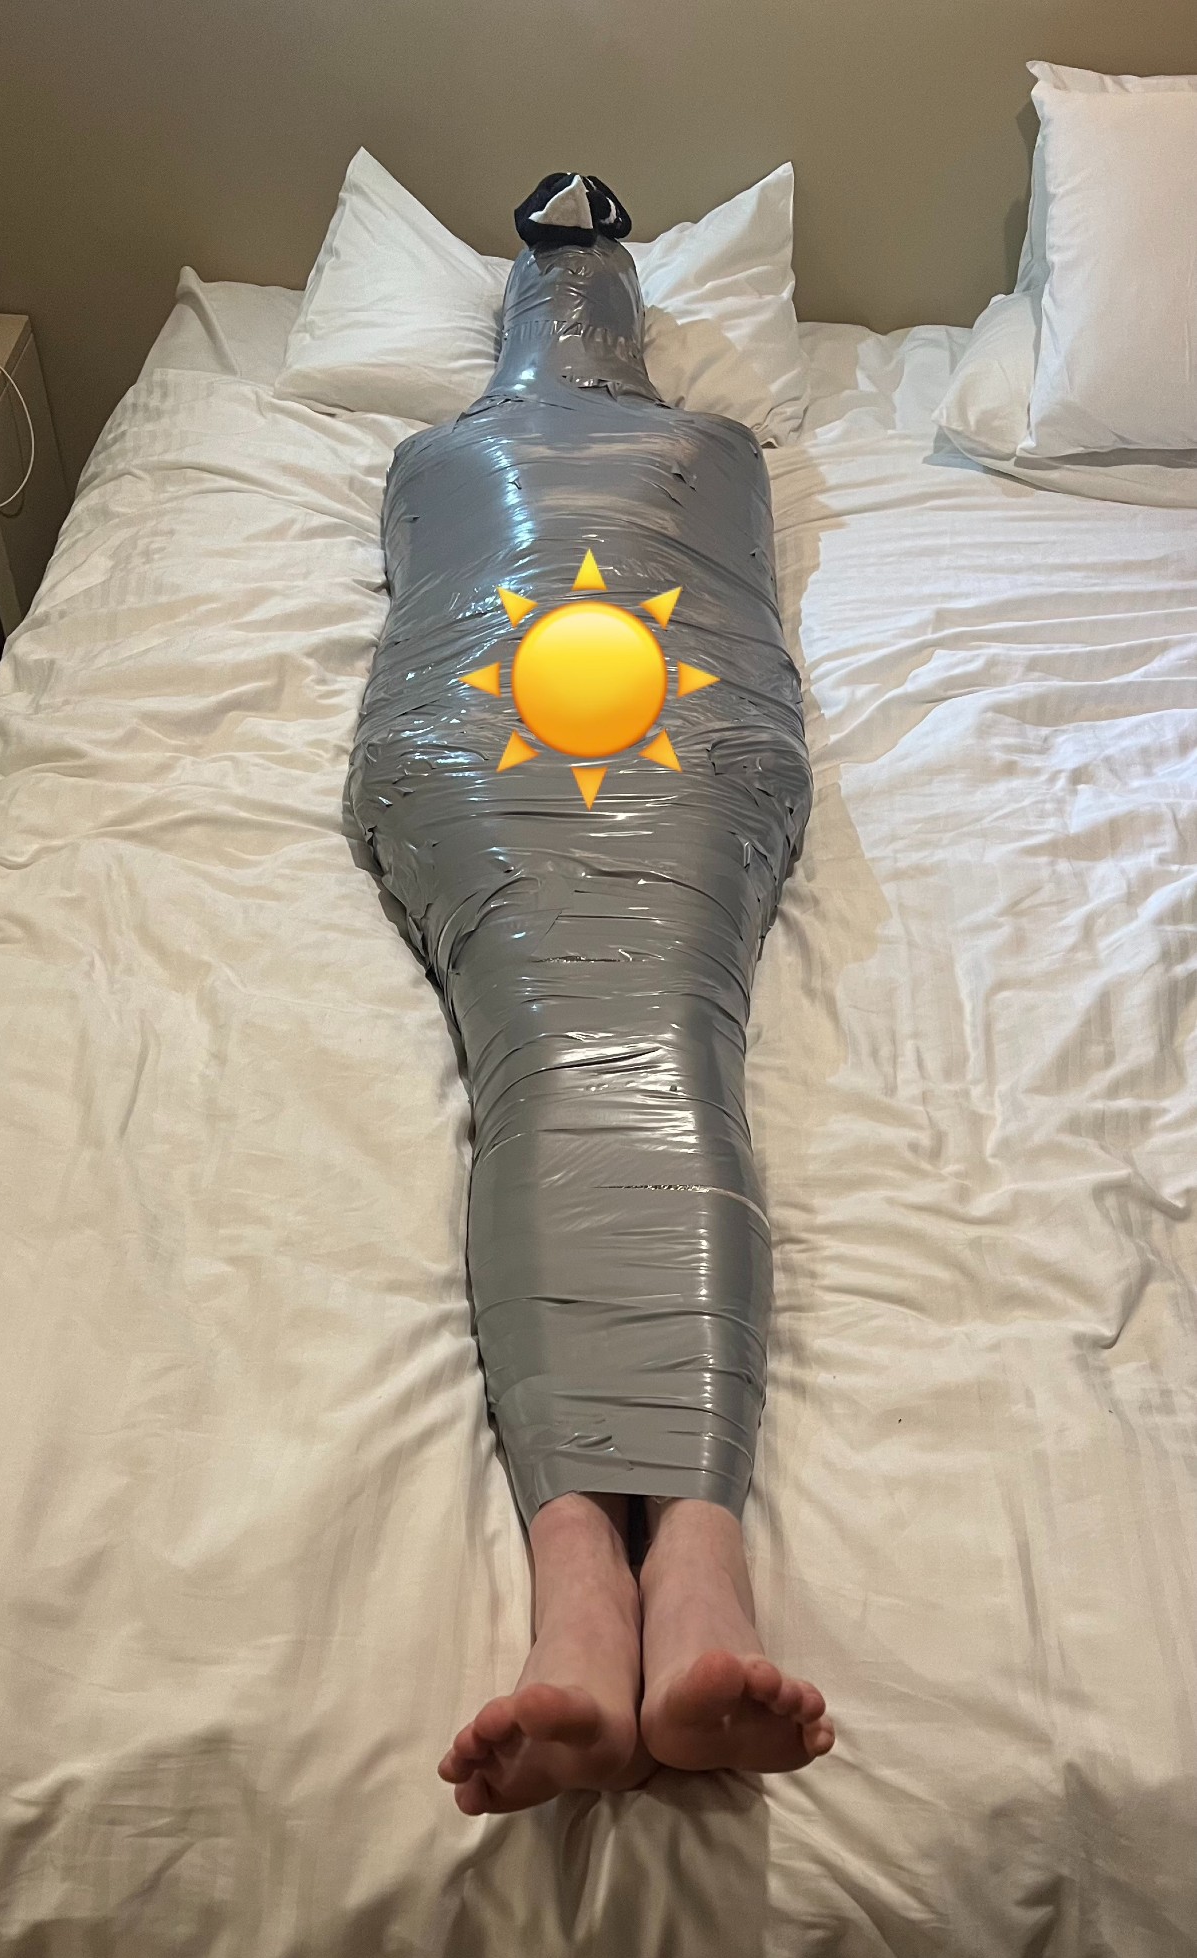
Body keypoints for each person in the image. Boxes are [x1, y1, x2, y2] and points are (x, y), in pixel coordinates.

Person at [347, 175, 833, 1814]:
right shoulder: (433, 461)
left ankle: (662, 1577)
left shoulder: (716, 452)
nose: (577, 314)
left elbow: (736, 600)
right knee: (568, 1044)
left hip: (679, 724)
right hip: (478, 729)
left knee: (647, 1040)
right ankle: (613, 1581)